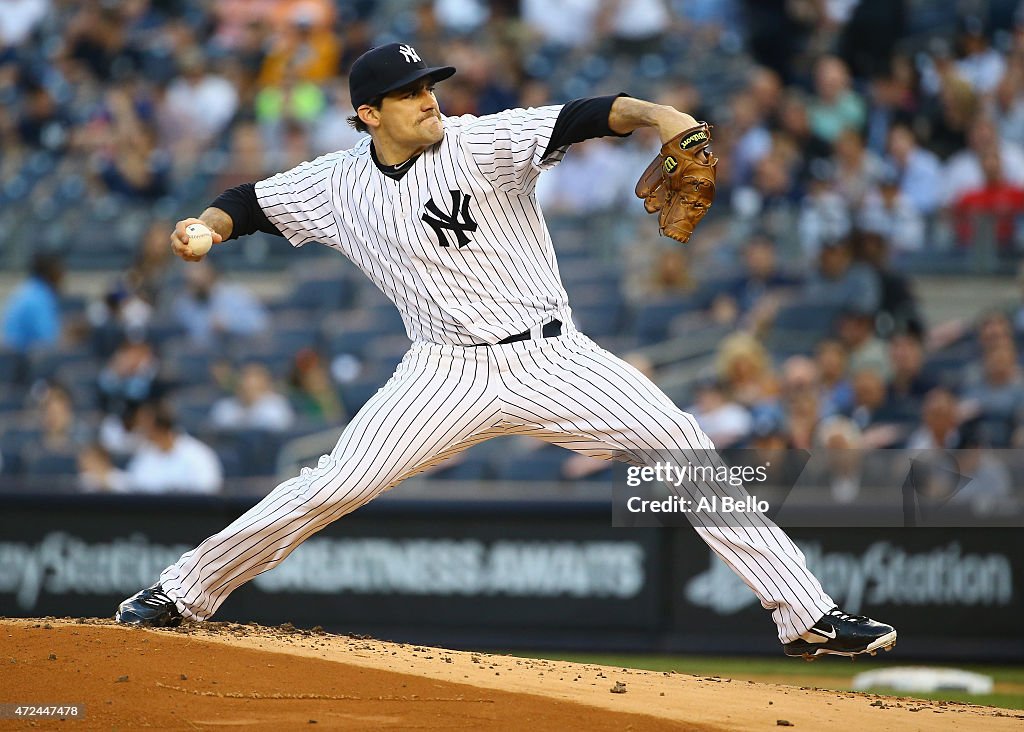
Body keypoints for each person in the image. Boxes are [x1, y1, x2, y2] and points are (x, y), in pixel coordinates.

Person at [115, 42, 895, 660]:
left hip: (553, 358)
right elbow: (249, 202)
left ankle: (807, 615)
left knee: (687, 447)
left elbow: (588, 116)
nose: (431, 100)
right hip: (443, 369)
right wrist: (206, 229)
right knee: (329, 486)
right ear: (367, 114)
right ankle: (182, 593)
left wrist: (660, 115)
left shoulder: (480, 141)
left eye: (431, 87)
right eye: (411, 94)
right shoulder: (336, 183)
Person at [1, 252, 63, 354]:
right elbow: (50, 340)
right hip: (20, 361)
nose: (62, 275)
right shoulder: (38, 298)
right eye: (59, 270)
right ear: (50, 271)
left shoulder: (29, 289)